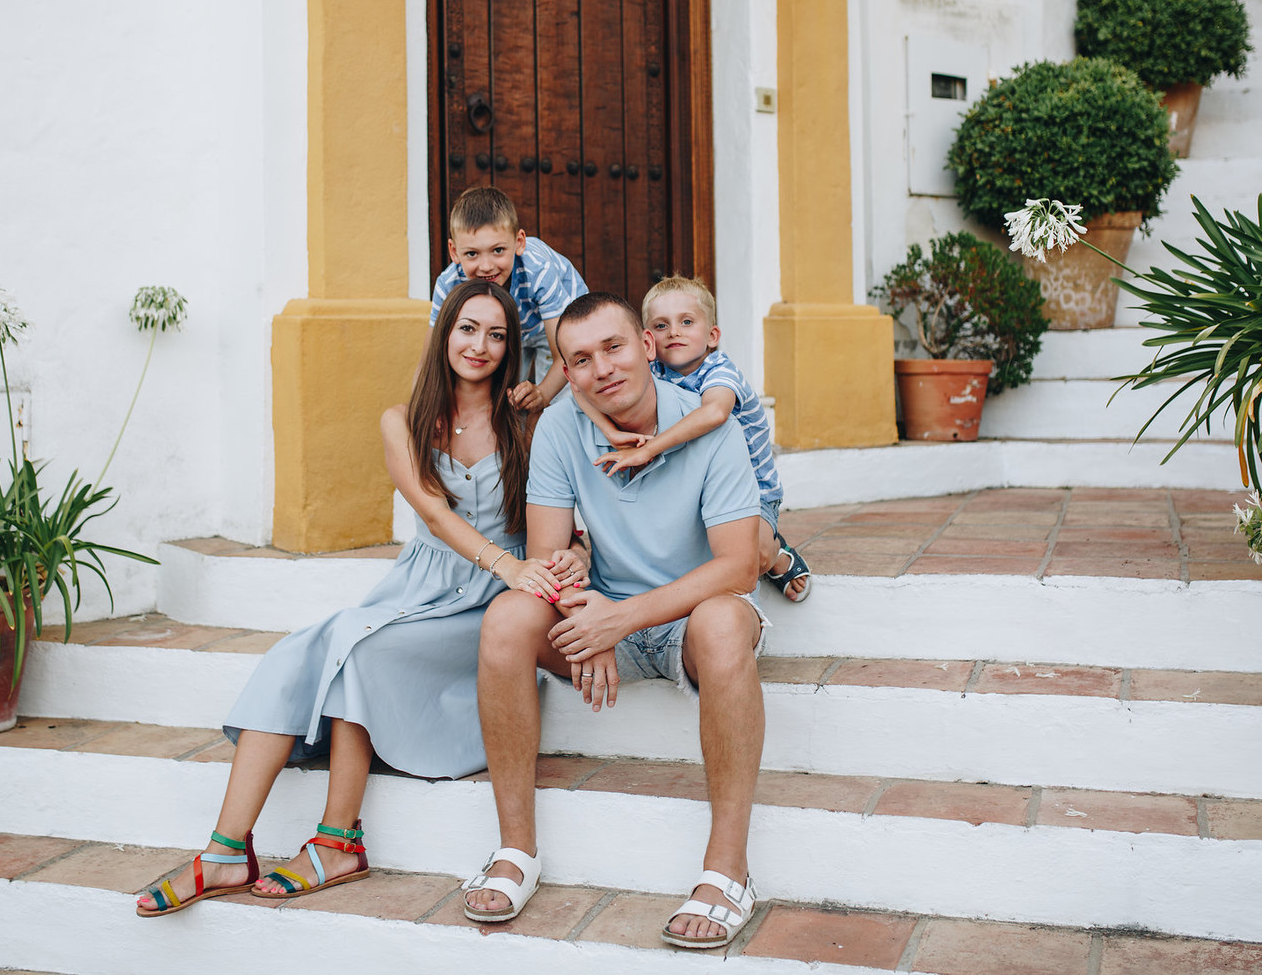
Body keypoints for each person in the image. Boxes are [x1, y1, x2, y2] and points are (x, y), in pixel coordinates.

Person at [137, 280, 586, 917]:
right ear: (444, 331)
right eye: (467, 328)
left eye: (496, 334)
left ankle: (339, 840)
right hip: (423, 586)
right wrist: (505, 564)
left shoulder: (529, 421)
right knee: (299, 650)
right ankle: (224, 851)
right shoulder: (401, 422)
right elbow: (434, 516)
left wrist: (535, 568)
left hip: (490, 606)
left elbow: (567, 512)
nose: (479, 345)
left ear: (512, 347)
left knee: (361, 649)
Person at [461, 292, 768, 950]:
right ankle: (517, 850)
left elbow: (738, 567)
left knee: (721, 623)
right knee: (508, 618)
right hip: (604, 615)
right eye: (580, 359)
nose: (601, 368)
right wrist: (583, 615)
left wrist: (618, 619)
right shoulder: (560, 427)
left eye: (615, 347)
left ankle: (728, 872)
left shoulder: (710, 423)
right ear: (565, 373)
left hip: (692, 620)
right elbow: (546, 557)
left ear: (648, 347)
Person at [576, 275, 811, 602]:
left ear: (712, 336)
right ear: (647, 340)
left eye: (686, 322)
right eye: (661, 325)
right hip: (692, 486)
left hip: (752, 491)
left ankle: (776, 552)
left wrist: (648, 451)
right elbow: (578, 389)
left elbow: (714, 413)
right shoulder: (653, 372)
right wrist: (611, 431)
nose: (673, 332)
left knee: (752, 553)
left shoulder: (721, 373)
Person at [426, 186, 589, 412]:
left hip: (558, 326)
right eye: (472, 253)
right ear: (454, 251)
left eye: (498, 250)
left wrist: (542, 395)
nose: (486, 266)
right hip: (512, 331)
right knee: (506, 398)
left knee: (558, 402)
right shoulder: (449, 283)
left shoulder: (538, 268)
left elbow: (564, 354)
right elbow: (430, 359)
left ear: (519, 242)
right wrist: (428, 408)